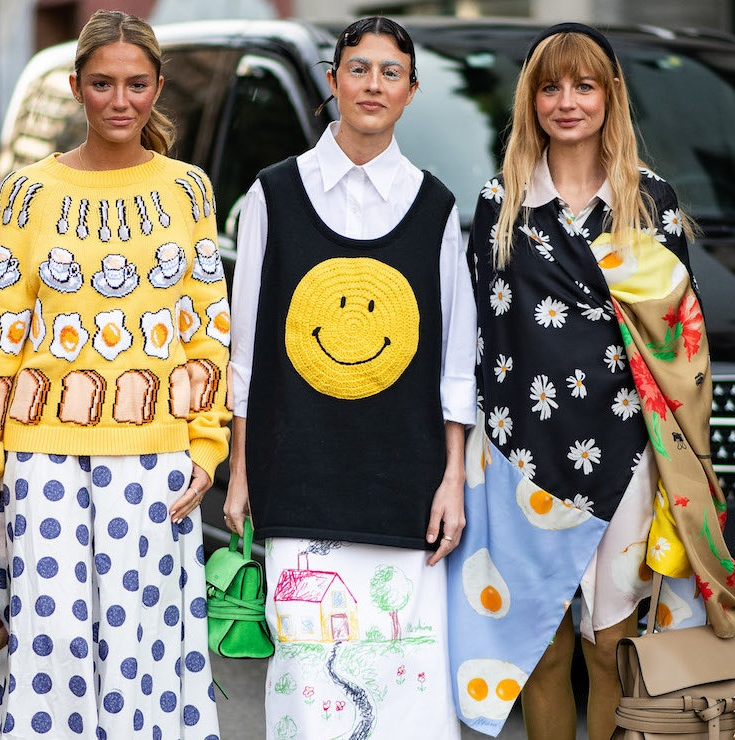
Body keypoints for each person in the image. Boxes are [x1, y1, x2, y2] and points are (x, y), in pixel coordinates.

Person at [444, 22, 735, 740]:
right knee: (541, 654)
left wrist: (690, 470)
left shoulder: (651, 203)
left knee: (610, 649)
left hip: (626, 457)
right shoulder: (500, 202)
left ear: (610, 97)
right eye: (551, 86)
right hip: (521, 461)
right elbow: (477, 338)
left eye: (584, 86)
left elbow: (683, 347)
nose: (567, 101)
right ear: (531, 99)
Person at [0, 10, 230, 739]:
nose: (120, 99)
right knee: (58, 646)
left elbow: (208, 333)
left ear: (158, 87)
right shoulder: (27, 194)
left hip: (156, 456)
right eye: (102, 83)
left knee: (138, 647)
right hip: (39, 458)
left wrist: (207, 444)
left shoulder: (188, 191)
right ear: (76, 87)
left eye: (137, 84)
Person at [221, 16, 477, 740]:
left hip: (408, 487)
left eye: (390, 72)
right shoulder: (274, 195)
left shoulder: (435, 208)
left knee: (406, 679)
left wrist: (452, 477)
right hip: (299, 479)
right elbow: (247, 348)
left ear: (411, 91)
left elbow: (456, 361)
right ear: (333, 82)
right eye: (357, 69)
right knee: (309, 686)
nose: (372, 84)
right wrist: (239, 471)